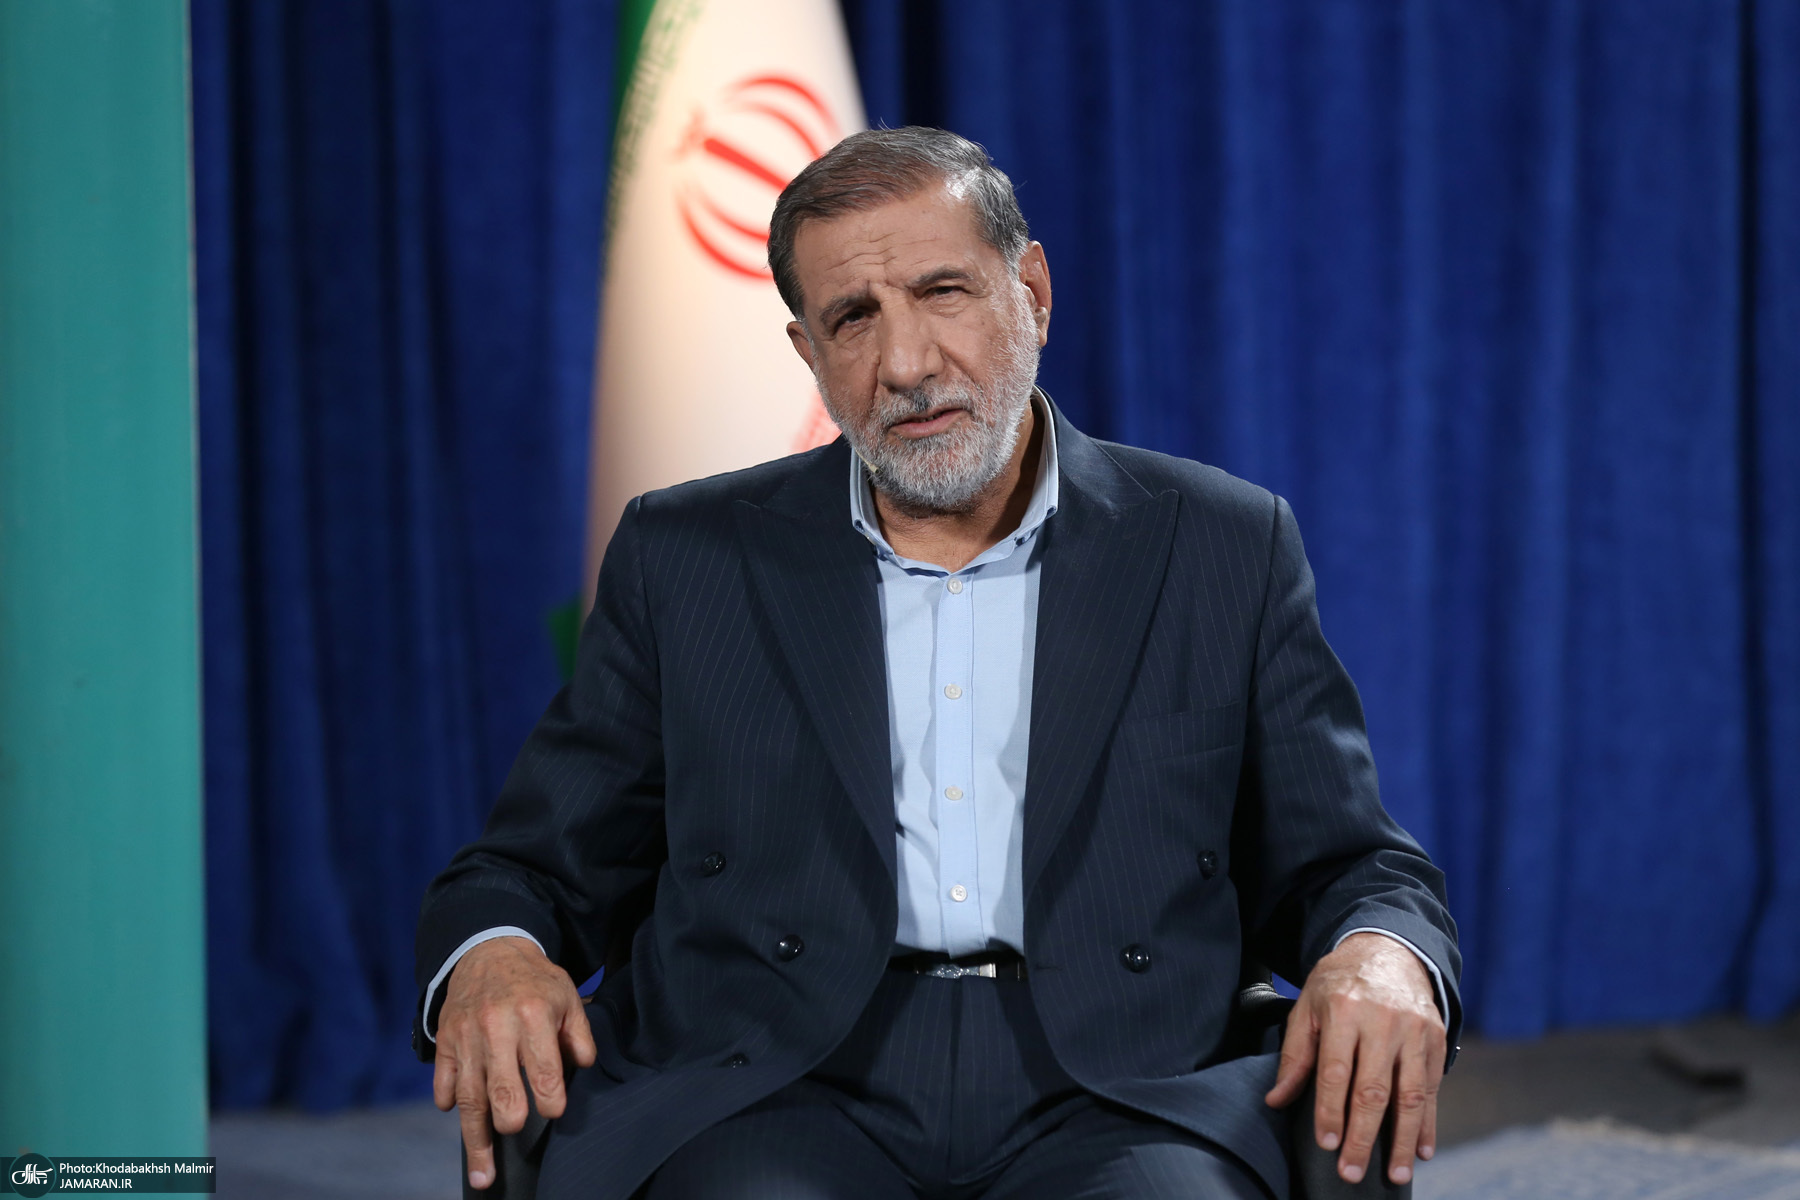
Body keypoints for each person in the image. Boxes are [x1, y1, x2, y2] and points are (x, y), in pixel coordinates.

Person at [414, 127, 1460, 1200]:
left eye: (942, 292)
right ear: (808, 354)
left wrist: (1382, 950)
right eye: (854, 318)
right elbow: (528, 870)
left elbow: (1353, 865)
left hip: (1123, 1079)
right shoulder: (687, 558)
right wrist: (496, 949)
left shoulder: (1221, 543)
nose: (906, 364)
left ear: (1032, 293)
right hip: (775, 1075)